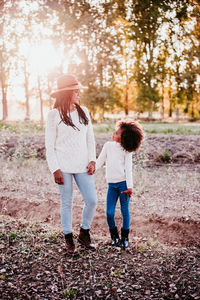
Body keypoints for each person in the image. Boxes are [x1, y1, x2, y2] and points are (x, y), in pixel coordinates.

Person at [45, 74, 98, 254]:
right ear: (66, 93)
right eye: (75, 91)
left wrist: (92, 159)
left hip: (82, 164)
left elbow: (90, 138)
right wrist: (55, 169)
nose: (78, 94)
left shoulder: (83, 111)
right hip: (63, 167)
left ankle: (84, 233)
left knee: (92, 200)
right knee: (66, 202)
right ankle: (69, 239)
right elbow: (49, 146)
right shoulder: (54, 115)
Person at [96, 119, 144, 249]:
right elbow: (99, 161)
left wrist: (130, 187)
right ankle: (114, 237)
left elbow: (128, 169)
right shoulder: (108, 146)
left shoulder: (126, 151)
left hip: (123, 186)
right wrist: (91, 168)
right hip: (112, 185)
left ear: (124, 138)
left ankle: (125, 238)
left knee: (124, 211)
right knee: (109, 213)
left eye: (117, 133)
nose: (113, 133)